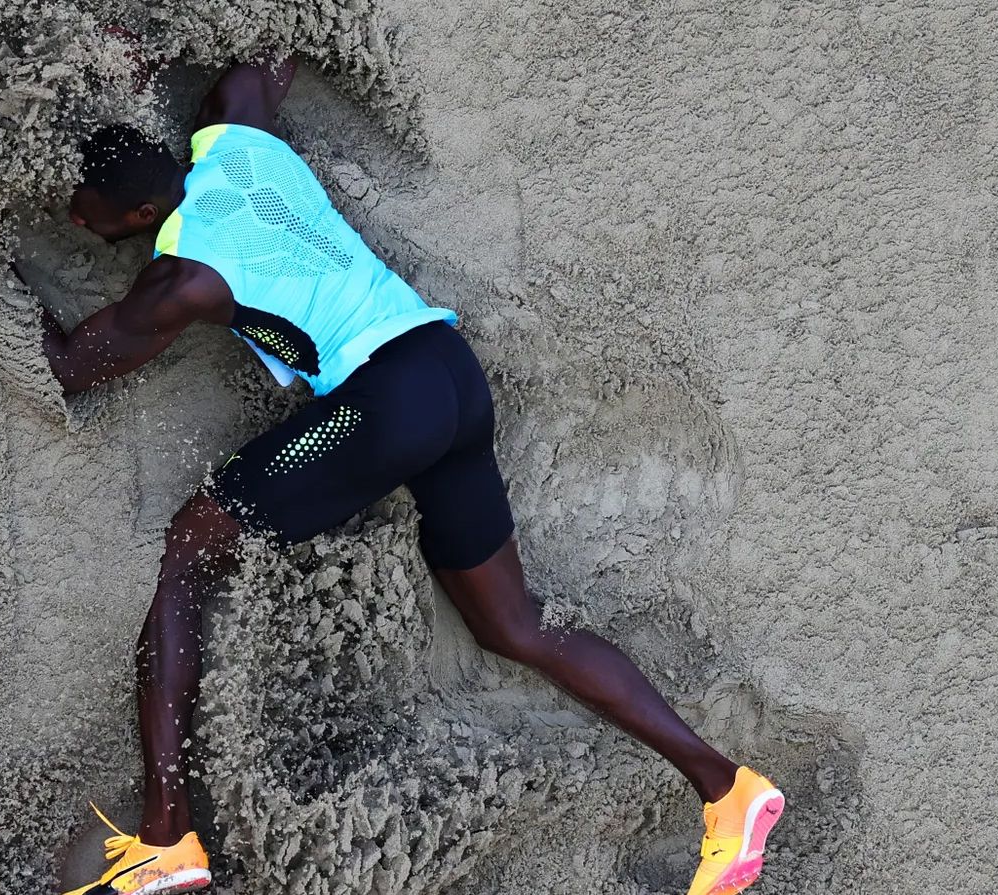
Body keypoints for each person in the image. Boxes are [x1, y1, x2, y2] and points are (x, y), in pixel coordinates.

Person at [39, 50, 785, 895]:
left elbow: (68, 363)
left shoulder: (183, 279)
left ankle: (167, 837)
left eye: (85, 216)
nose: (75, 223)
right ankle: (727, 789)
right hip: (449, 370)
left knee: (189, 544)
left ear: (140, 212)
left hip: (385, 404)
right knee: (514, 626)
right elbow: (260, 64)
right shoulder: (235, 137)